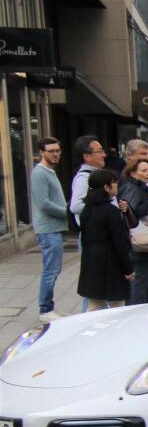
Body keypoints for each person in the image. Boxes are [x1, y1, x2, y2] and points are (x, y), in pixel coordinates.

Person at [77, 169, 135, 311]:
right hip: (111, 266)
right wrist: (128, 269)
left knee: (95, 307)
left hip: (91, 264)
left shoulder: (86, 211)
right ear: (106, 187)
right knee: (117, 308)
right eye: (114, 183)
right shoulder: (111, 212)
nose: (116, 186)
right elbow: (119, 243)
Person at [30, 137, 68, 321]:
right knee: (51, 270)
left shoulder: (49, 172)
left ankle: (49, 307)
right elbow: (44, 203)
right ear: (41, 153)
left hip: (54, 227)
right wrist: (66, 212)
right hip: (48, 228)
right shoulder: (39, 173)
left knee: (54, 268)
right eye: (51, 151)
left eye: (57, 151)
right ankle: (45, 309)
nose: (55, 154)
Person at [119, 159, 148, 305]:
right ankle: (136, 308)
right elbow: (134, 211)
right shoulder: (133, 187)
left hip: (144, 240)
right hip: (140, 240)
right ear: (133, 173)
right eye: (143, 170)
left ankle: (141, 306)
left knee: (146, 279)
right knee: (141, 280)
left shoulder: (142, 187)